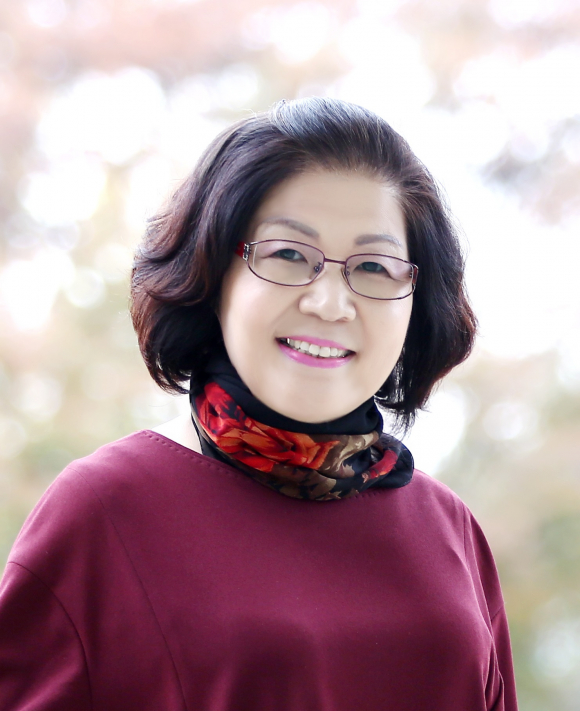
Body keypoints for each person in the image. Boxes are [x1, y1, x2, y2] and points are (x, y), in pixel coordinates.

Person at [0, 97, 518, 710]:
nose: (330, 303)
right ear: (214, 274)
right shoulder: (105, 509)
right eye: (288, 255)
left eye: (375, 267)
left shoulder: (450, 530)